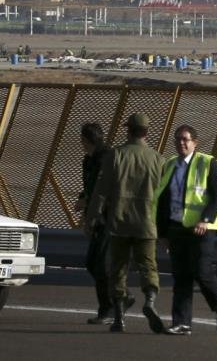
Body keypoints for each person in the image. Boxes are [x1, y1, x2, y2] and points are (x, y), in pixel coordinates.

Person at [86, 112, 165, 334]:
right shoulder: (158, 159)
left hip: (119, 223)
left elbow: (101, 192)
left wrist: (92, 218)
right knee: (148, 266)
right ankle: (149, 300)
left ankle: (119, 318)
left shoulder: (116, 155)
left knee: (118, 269)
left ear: (128, 130)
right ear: (147, 132)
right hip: (147, 224)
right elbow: (164, 196)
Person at [154, 125, 217, 336]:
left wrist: (205, 219)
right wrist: (163, 234)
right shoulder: (169, 164)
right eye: (178, 139)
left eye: (186, 139)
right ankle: (181, 322)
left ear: (195, 142)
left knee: (202, 271)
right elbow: (162, 201)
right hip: (177, 228)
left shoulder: (208, 162)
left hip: (202, 229)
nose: (182, 143)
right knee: (181, 277)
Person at [75, 122, 134, 324]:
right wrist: (84, 203)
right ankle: (121, 297)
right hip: (97, 216)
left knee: (101, 263)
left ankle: (111, 306)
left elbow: (108, 189)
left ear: (86, 139)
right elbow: (90, 187)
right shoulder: (88, 160)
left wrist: (92, 209)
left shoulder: (107, 158)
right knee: (93, 262)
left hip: (110, 217)